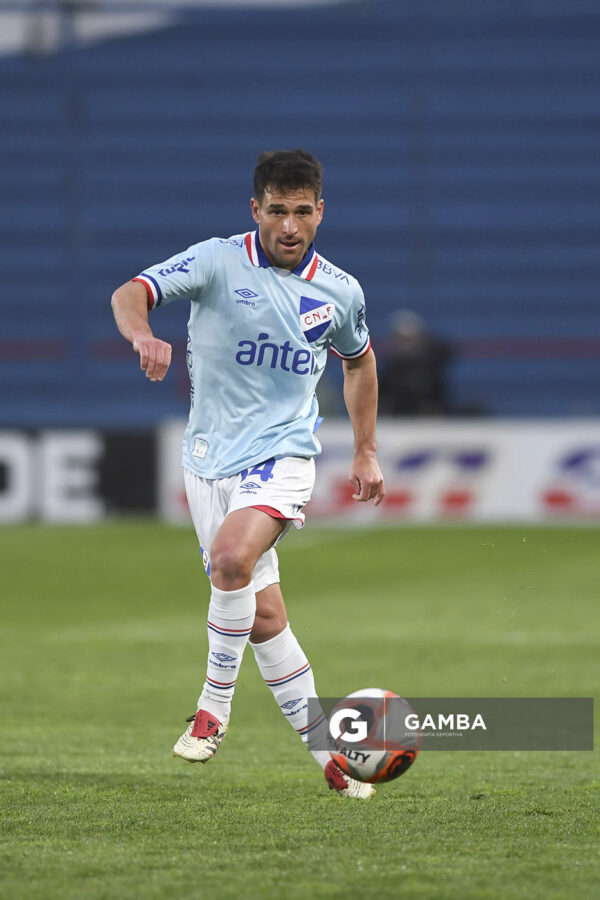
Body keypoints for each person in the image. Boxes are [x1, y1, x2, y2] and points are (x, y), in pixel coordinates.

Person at [111, 149, 385, 799]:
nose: (289, 227)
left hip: (284, 456)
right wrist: (141, 335)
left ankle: (212, 710)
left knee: (230, 560)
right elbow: (131, 293)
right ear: (255, 209)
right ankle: (332, 759)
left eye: (302, 212)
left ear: (320, 212)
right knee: (261, 617)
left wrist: (366, 449)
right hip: (207, 460)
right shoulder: (215, 260)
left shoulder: (339, 291)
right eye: (277, 211)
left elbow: (360, 361)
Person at [378, 310, 453, 416]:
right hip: (398, 419)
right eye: (400, 339)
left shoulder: (429, 362)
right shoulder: (391, 367)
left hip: (427, 419)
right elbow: (383, 396)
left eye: (408, 339)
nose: (404, 344)